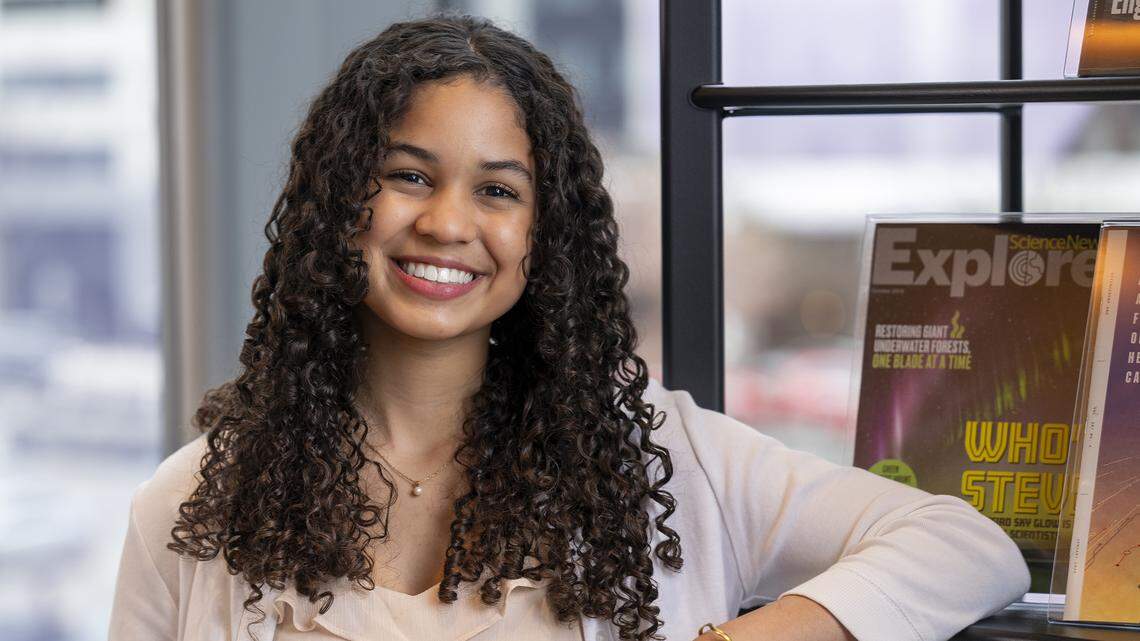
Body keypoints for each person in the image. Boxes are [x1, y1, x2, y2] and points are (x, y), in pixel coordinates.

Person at [107, 13, 1030, 641]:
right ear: (340, 197)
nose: (447, 224)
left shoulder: (662, 460)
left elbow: (967, 545)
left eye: (498, 190)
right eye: (410, 175)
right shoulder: (194, 503)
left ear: (543, 235)